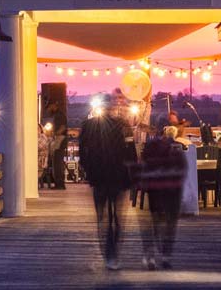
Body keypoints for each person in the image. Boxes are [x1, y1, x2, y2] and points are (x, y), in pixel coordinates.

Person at [76, 103, 136, 270]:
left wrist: (88, 169)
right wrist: (132, 174)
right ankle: (114, 251)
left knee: (102, 215)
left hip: (99, 176)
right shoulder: (123, 125)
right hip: (118, 176)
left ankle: (107, 252)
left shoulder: (88, 126)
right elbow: (131, 152)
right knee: (117, 215)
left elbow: (82, 151)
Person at [138, 116, 186, 269]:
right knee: (170, 224)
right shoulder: (178, 147)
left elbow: (143, 165)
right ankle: (165, 255)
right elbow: (182, 168)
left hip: (156, 188)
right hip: (173, 190)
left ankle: (151, 256)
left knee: (155, 222)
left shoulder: (150, 146)